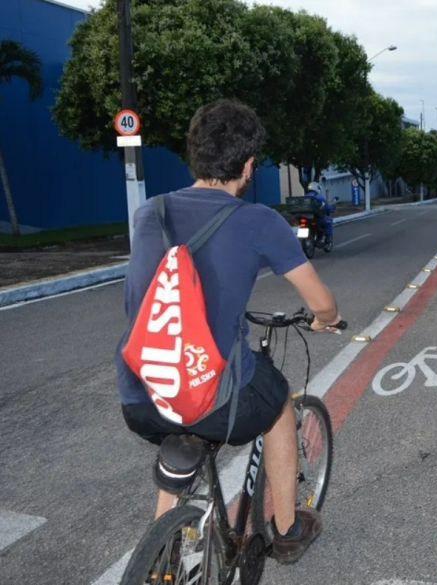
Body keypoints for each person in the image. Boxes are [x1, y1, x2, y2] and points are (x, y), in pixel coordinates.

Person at [114, 98, 342, 564]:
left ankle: (165, 553)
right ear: (248, 165)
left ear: (193, 154)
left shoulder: (149, 213)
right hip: (210, 395)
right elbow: (321, 301)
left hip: (140, 394)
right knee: (277, 401)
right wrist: (325, 319)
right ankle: (287, 529)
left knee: (182, 427)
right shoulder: (258, 220)